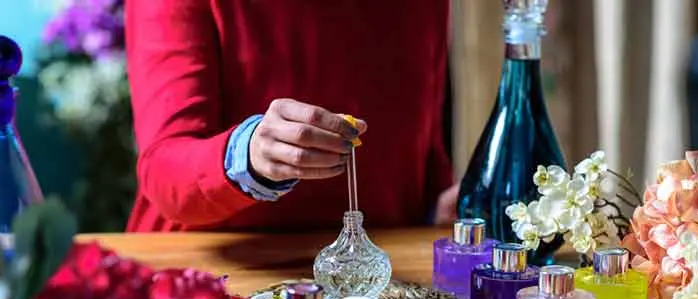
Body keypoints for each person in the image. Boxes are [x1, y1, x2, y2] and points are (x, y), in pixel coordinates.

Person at [125, 0, 458, 232]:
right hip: (216, 275)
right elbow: (163, 167)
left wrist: (439, 210)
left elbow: (419, 139)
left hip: (384, 276)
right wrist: (250, 154)